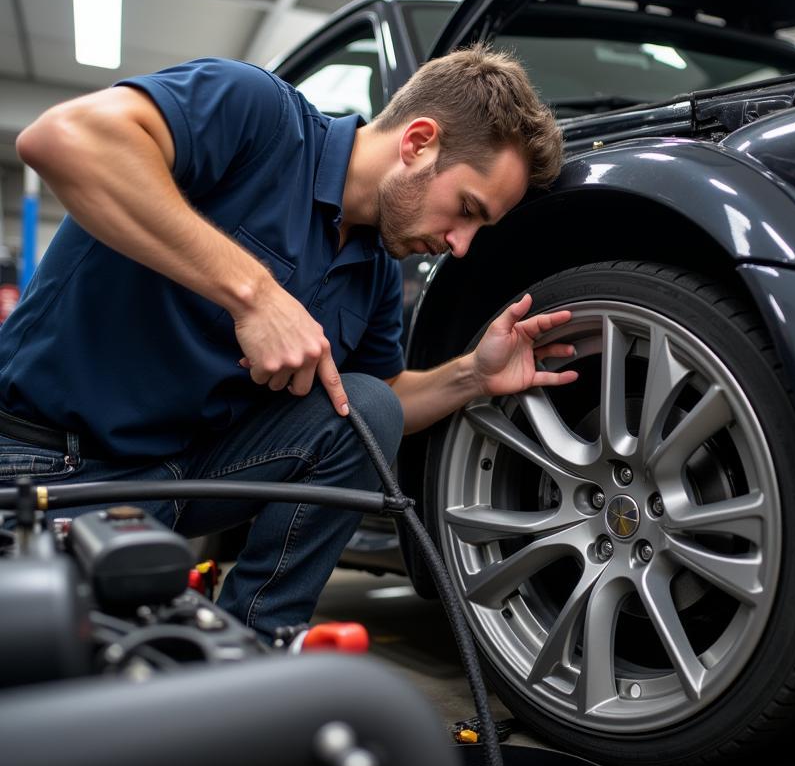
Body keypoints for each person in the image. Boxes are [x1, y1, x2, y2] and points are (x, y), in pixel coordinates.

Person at [2, 45, 575, 640]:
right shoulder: (257, 115)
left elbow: (378, 406)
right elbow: (62, 139)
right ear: (418, 143)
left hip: (183, 479)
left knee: (367, 408)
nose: (461, 244)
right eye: (466, 210)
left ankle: (255, 639)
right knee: (80, 682)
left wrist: (472, 377)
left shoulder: (375, 268)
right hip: (52, 465)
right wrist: (254, 294)